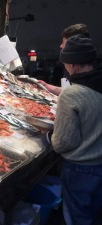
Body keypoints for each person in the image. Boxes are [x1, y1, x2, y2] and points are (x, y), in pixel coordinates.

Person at [45, 34, 102, 225]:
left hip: (81, 170)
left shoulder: (71, 95)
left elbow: (63, 142)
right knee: (94, 214)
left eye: (66, 63)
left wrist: (50, 136)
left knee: (77, 218)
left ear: (73, 65)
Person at [38, 23, 90, 95]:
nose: (61, 46)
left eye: (63, 43)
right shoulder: (71, 69)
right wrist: (46, 86)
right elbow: (68, 91)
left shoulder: (90, 83)